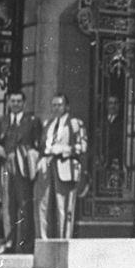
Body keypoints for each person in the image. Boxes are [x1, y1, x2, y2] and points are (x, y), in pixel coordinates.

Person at [0, 91, 41, 254]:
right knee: (7, 205)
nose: (16, 104)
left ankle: (24, 244)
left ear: (24, 103)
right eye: (12, 101)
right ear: (8, 103)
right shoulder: (1, 121)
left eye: (19, 101)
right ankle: (9, 242)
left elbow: (38, 144)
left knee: (24, 204)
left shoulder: (32, 121)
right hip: (6, 167)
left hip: (23, 168)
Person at [35, 92, 88, 240]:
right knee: (43, 205)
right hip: (47, 166)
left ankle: (63, 240)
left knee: (63, 207)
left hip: (65, 166)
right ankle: (43, 240)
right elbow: (41, 146)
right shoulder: (48, 124)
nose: (56, 108)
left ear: (66, 107)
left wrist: (63, 150)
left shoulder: (75, 123)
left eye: (59, 105)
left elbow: (82, 147)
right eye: (54, 105)